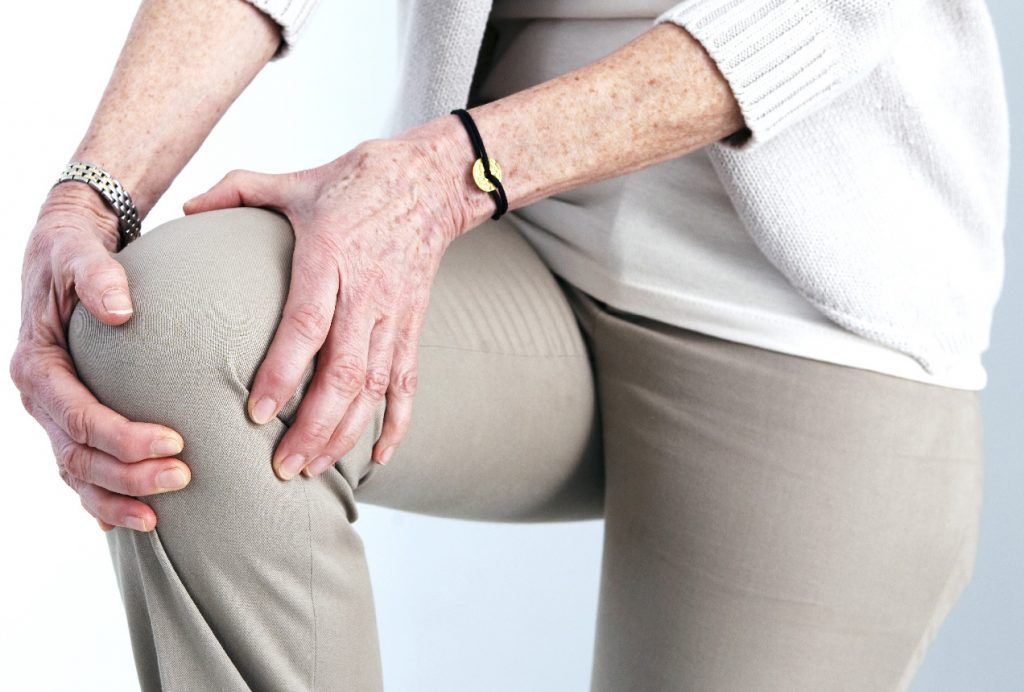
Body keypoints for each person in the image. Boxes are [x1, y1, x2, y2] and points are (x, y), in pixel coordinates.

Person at [10, 0, 1008, 689]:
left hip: (808, 314)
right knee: (176, 331)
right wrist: (91, 197)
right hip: (518, 252)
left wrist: (449, 173)